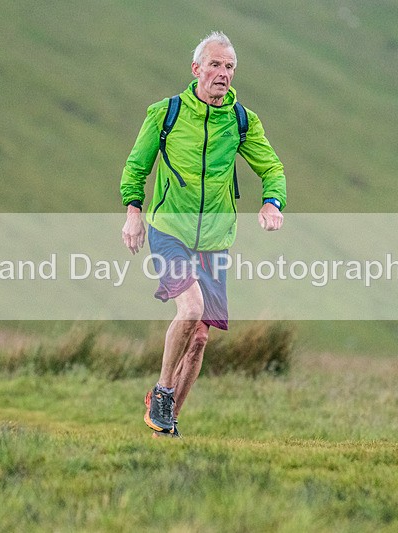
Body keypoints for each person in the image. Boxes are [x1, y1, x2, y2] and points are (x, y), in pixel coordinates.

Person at [120, 31, 286, 438]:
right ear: (196, 69)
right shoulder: (167, 114)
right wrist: (133, 213)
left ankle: (166, 424)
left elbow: (272, 169)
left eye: (229, 67)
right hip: (169, 230)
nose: (222, 74)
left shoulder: (242, 121)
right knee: (190, 309)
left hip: (214, 239)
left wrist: (272, 202)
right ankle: (161, 391)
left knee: (199, 340)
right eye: (215, 65)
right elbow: (136, 168)